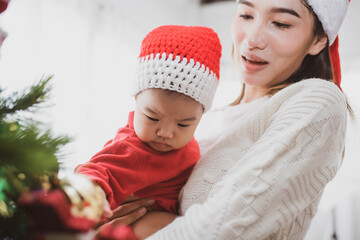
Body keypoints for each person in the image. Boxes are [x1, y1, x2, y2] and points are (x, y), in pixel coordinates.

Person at [108, 0, 352, 239]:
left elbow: (220, 230)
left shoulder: (317, 100)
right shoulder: (203, 119)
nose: (252, 40)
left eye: (280, 23)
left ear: (319, 39)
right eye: (246, 15)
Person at [73, 25, 222, 239]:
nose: (166, 133)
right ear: (136, 100)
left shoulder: (194, 142)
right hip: (125, 225)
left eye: (183, 124)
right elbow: (94, 171)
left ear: (200, 118)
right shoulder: (132, 148)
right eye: (153, 118)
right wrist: (94, 193)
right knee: (171, 224)